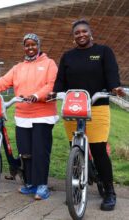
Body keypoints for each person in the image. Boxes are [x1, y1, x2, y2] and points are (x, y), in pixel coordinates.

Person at [53, 19, 125, 210]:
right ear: (73, 36)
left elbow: (111, 73)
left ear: (90, 33)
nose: (81, 35)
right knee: (75, 147)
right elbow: (60, 80)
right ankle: (76, 187)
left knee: (99, 149)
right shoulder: (67, 56)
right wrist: (55, 92)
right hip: (73, 107)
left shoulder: (103, 51)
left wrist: (114, 87)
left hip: (97, 106)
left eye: (84, 31)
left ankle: (109, 191)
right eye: (77, 33)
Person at [0, 34, 58, 199]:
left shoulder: (49, 64)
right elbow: (2, 82)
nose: (30, 48)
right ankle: (30, 183)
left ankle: (42, 185)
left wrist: (36, 96)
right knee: (25, 152)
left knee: (40, 152)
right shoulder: (18, 67)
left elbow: (51, 85)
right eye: (27, 45)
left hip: (42, 115)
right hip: (22, 115)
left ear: (38, 45)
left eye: (33, 45)